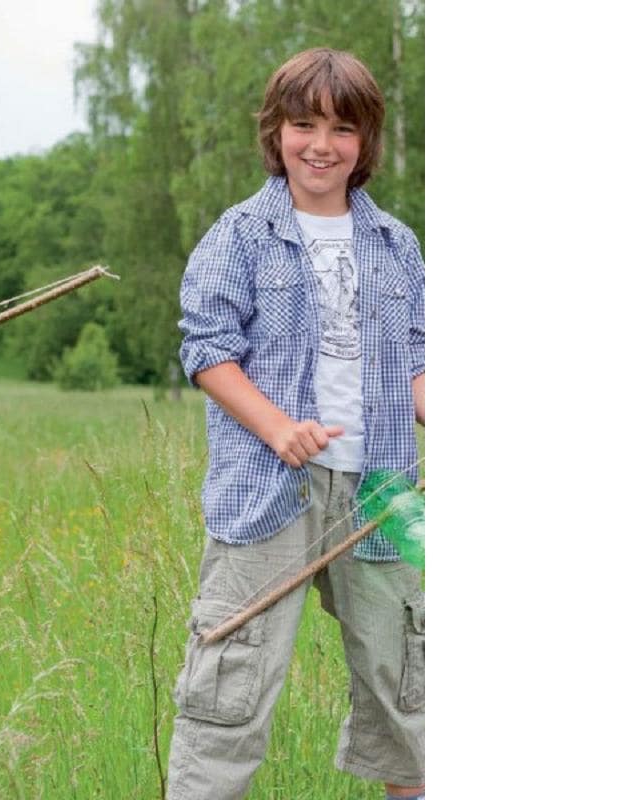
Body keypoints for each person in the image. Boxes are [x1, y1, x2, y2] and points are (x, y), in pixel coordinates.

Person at [167, 48, 425, 800]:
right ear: (275, 131)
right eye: (303, 124)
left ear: (365, 142)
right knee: (230, 676)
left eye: (342, 128)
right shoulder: (239, 234)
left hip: (384, 487)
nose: (321, 144)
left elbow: (417, 362)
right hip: (268, 486)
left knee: (407, 674)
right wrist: (279, 427)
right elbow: (209, 351)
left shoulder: (396, 245)